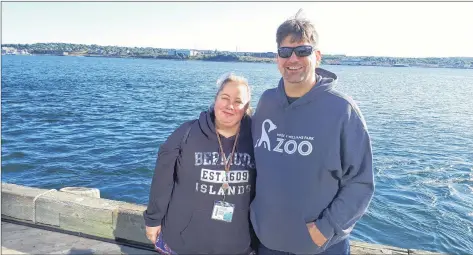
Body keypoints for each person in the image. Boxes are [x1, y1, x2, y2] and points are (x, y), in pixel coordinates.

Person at [250, 12, 375, 255]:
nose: (293, 58)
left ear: (317, 56)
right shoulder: (266, 102)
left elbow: (361, 182)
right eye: (285, 52)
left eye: (302, 51)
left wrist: (325, 228)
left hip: (321, 247)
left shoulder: (342, 110)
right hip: (266, 243)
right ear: (277, 58)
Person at [143, 73, 256, 255]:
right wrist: (153, 220)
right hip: (184, 242)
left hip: (238, 245)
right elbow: (162, 180)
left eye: (238, 101)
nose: (230, 106)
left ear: (246, 107)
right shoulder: (186, 133)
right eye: (225, 98)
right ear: (215, 99)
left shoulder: (257, 139)